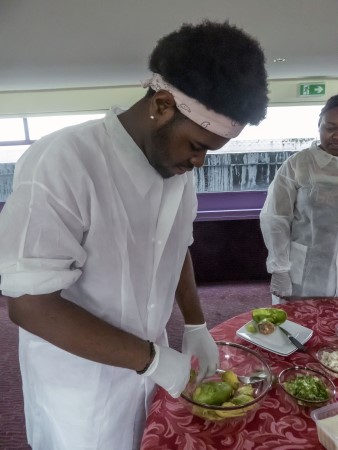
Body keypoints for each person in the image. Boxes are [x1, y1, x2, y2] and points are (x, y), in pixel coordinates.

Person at [0, 20, 268, 450]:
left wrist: (196, 324)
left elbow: (175, 246)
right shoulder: (64, 161)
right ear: (162, 105)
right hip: (82, 381)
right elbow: (30, 306)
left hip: (150, 360)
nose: (199, 162)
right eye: (197, 145)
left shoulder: (176, 172)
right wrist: (155, 361)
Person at [260, 95, 338, 303]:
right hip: (306, 269)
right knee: (300, 329)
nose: (336, 136)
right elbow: (276, 218)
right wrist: (279, 269)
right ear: (318, 124)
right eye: (330, 127)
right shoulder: (298, 164)